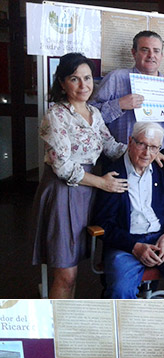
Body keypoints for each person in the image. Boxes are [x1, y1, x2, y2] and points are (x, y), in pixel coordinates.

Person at [32, 53, 127, 299]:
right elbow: (62, 167)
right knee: (66, 274)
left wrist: (146, 151)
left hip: (87, 193)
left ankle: (64, 327)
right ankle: (52, 335)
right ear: (62, 82)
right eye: (75, 79)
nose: (83, 85)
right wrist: (103, 183)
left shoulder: (94, 113)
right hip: (63, 192)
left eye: (87, 78)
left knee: (74, 270)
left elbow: (112, 147)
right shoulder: (56, 115)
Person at [93, 122, 164, 299]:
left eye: (153, 147)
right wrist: (134, 246)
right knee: (121, 290)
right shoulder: (113, 174)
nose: (147, 153)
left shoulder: (162, 170)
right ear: (130, 142)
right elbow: (104, 223)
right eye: (142, 144)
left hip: (162, 239)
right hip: (126, 244)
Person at [92, 31, 164, 148]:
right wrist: (118, 105)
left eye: (156, 51)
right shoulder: (115, 78)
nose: (151, 55)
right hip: (120, 154)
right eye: (145, 50)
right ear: (134, 53)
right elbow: (89, 115)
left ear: (161, 56)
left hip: (157, 157)